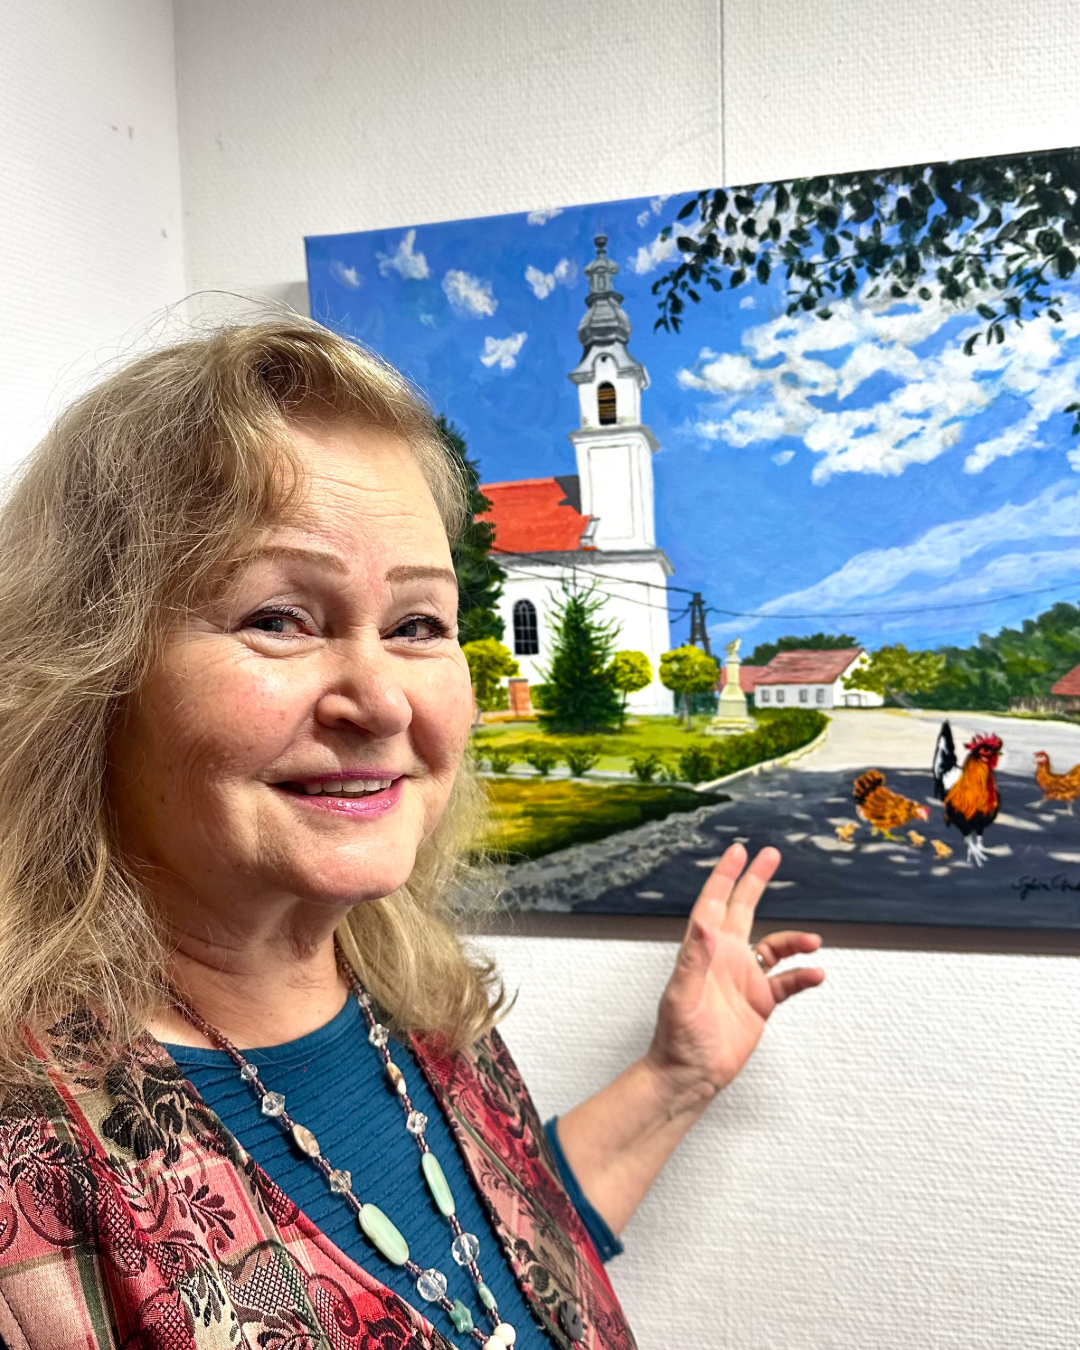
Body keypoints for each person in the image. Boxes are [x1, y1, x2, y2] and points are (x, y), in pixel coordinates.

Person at [0, 319, 824, 1350]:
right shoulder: (29, 1171)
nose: (383, 700)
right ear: (88, 672)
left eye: (418, 625)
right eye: (279, 618)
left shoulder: (405, 986)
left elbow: (494, 1272)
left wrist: (676, 1075)